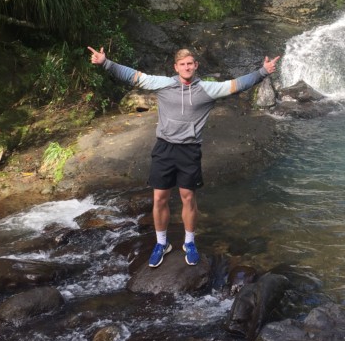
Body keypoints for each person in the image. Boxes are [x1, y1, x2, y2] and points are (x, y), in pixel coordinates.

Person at [88, 45, 280, 268]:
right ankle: (161, 243)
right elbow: (133, 76)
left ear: (196, 66)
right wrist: (105, 63)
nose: (187, 67)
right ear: (176, 67)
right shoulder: (163, 84)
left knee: (188, 197)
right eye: (183, 64)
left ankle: (189, 242)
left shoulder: (207, 89)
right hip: (164, 149)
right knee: (160, 197)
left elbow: (236, 85)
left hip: (189, 150)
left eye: (190, 63)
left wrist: (263, 72)